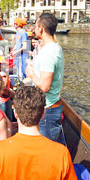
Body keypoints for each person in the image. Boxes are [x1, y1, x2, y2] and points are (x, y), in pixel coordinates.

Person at [25, 13, 65, 144]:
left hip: (48, 110)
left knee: (49, 149)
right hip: (51, 106)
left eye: (35, 27)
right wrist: (35, 63)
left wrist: (31, 73)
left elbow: (45, 87)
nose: (34, 30)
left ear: (41, 28)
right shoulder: (53, 48)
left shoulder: (48, 53)